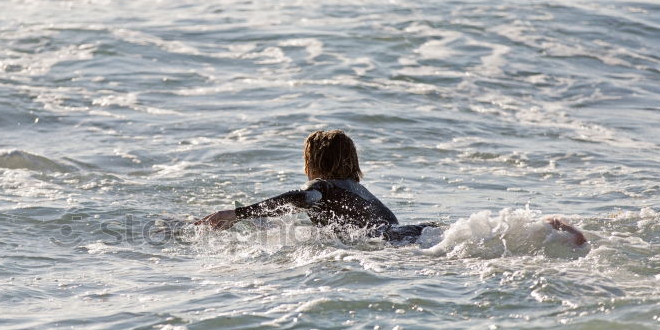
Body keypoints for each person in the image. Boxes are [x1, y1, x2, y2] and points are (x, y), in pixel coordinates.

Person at [196, 129, 587, 246]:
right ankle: (540, 227)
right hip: (405, 229)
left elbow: (303, 198)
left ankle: (539, 231)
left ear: (313, 162)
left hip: (391, 242)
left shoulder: (323, 187)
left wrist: (239, 213)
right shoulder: (356, 189)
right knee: (473, 240)